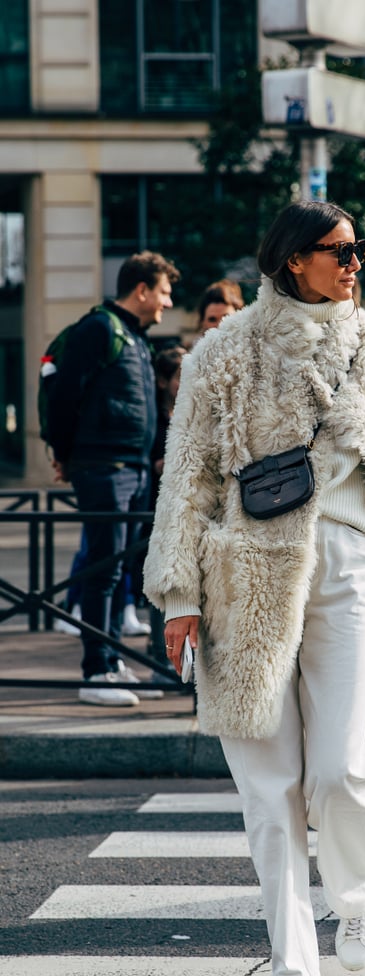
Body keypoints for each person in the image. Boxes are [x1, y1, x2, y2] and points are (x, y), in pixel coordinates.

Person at [143, 200, 365, 976]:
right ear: (291, 260)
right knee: (266, 782)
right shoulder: (225, 352)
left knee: (340, 764)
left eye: (357, 251)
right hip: (244, 571)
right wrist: (177, 592)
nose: (354, 263)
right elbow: (189, 476)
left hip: (351, 566)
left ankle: (357, 891)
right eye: (338, 251)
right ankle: (291, 958)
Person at [48, 250, 180, 707]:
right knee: (102, 570)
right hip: (106, 468)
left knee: (119, 568)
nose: (167, 302)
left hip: (132, 468)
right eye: (163, 292)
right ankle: (96, 670)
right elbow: (66, 395)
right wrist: (64, 454)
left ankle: (110, 660)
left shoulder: (134, 336)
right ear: (141, 290)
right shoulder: (100, 328)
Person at [146, 345, 187, 681]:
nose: (183, 382)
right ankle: (159, 663)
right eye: (178, 376)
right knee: (160, 590)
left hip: (183, 511)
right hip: (155, 511)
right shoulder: (155, 419)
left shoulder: (191, 413)